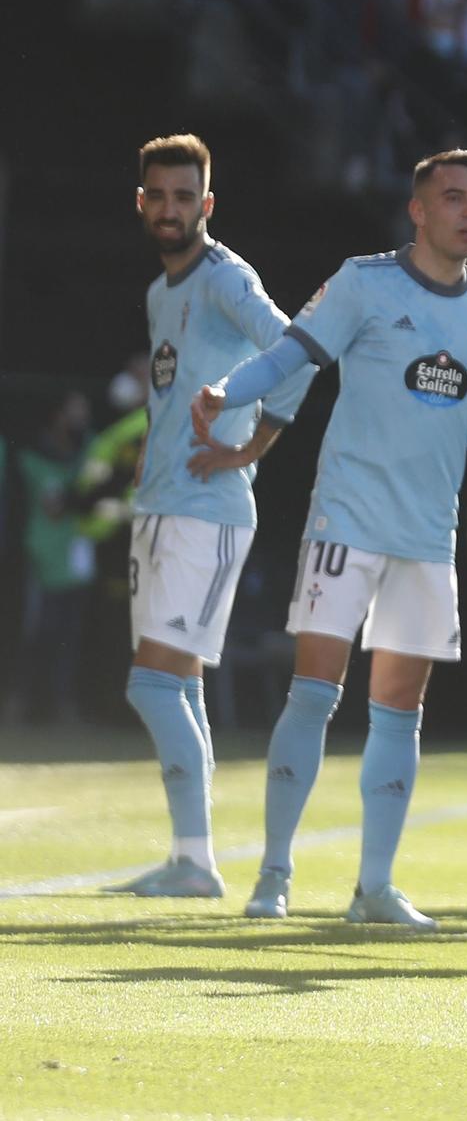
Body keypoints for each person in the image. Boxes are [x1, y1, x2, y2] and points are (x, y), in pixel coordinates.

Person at [193, 149, 467, 929]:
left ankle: (372, 888)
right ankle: (273, 876)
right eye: (453, 198)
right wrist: (225, 390)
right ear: (418, 210)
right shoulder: (363, 282)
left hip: (427, 538)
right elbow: (290, 356)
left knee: (400, 710)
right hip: (346, 518)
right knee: (314, 691)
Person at [107, 134, 313, 899]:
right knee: (179, 687)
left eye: (184, 197)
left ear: (208, 204)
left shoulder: (227, 278)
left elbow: (296, 348)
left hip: (207, 507)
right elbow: (175, 386)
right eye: (157, 196)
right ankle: (189, 856)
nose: (170, 209)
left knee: (150, 686)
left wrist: (253, 444)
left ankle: (197, 863)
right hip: (160, 503)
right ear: (141, 202)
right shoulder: (164, 292)